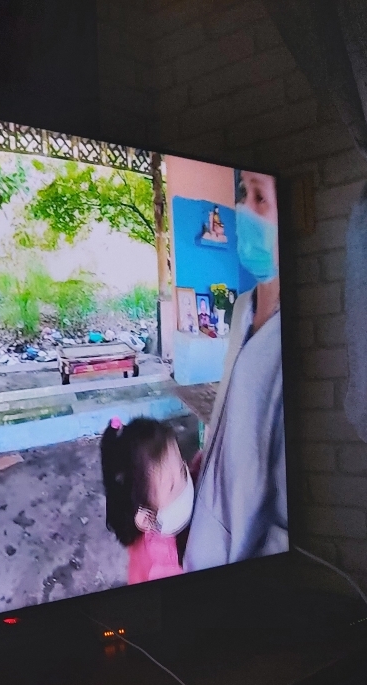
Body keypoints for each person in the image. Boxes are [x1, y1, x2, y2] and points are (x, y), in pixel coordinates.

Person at [184, 170, 287, 570]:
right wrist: (209, 454)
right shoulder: (243, 307)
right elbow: (230, 403)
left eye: (259, 198)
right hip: (203, 532)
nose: (243, 209)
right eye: (243, 194)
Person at [101, 417, 193, 585]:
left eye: (181, 468)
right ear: (146, 519)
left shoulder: (150, 516)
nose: (185, 484)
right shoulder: (164, 566)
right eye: (172, 486)